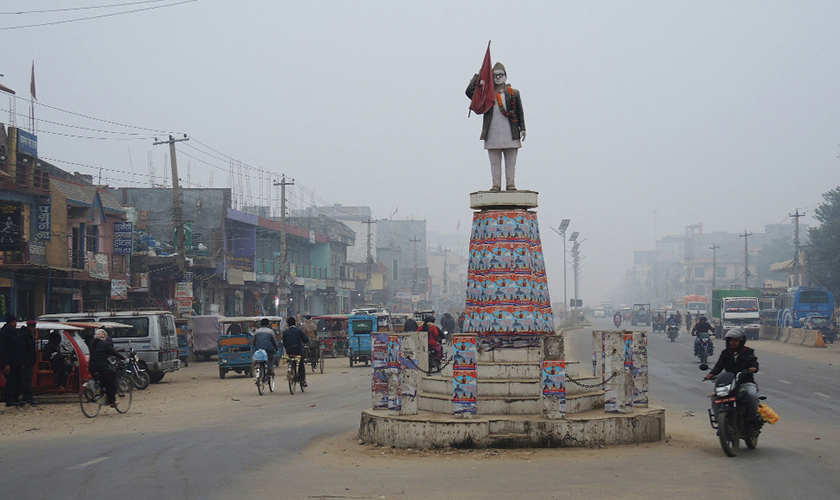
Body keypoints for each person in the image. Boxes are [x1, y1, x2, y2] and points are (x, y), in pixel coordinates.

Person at [466, 62, 526, 191]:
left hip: (511, 132)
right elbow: (469, 92)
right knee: (494, 162)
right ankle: (496, 184)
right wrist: (479, 75)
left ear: (505, 76)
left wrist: (523, 128)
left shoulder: (514, 93)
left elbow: (520, 112)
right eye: (494, 75)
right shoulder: (486, 95)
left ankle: (511, 184)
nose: (498, 77)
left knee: (511, 162)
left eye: (500, 74)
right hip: (492, 132)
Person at [704, 329, 760, 422]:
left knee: (752, 394)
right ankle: (719, 421)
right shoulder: (725, 353)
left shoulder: (748, 352)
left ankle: (754, 417)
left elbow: (754, 363)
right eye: (731, 340)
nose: (733, 343)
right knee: (715, 398)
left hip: (745, 382)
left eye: (735, 340)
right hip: (729, 383)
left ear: (741, 342)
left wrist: (753, 368)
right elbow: (719, 365)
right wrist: (711, 374)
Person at [88, 328, 125, 407]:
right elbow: (114, 352)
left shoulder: (91, 344)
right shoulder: (105, 344)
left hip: (91, 368)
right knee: (112, 382)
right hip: (102, 368)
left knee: (103, 380)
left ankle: (100, 393)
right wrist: (123, 358)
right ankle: (112, 401)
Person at [0, 314, 23, 406]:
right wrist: (6, 364)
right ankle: (9, 399)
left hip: (17, 361)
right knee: (11, 381)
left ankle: (16, 398)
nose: (15, 323)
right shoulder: (4, 334)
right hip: (10, 362)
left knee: (18, 380)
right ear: (9, 323)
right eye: (13, 321)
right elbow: (4, 350)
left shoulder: (14, 332)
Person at [281, 317, 309, 388]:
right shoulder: (298, 331)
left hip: (289, 351)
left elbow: (284, 343)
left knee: (291, 360)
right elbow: (306, 339)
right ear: (295, 323)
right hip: (298, 351)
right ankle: (302, 380)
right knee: (301, 364)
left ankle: (291, 369)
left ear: (287, 324)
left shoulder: (285, 332)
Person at [18, 320, 38, 405]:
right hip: (26, 362)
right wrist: (26, 361)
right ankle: (28, 397)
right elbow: (23, 350)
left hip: (29, 361)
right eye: (33, 327)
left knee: (27, 380)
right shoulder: (24, 336)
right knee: (26, 380)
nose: (34, 329)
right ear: (29, 327)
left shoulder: (29, 335)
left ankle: (27, 397)